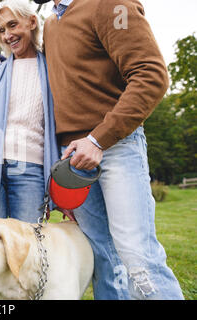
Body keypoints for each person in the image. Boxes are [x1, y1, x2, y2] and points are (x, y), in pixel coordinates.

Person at [43, 0, 184, 299]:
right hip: (72, 158)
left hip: (116, 146)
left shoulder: (109, 3)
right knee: (103, 258)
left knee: (138, 259)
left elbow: (151, 75)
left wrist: (98, 140)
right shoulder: (50, 23)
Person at [0, 0, 59, 223]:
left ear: (31, 22)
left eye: (12, 25)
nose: (8, 35)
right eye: (1, 30)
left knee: (29, 244)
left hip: (30, 169)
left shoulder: (52, 69)